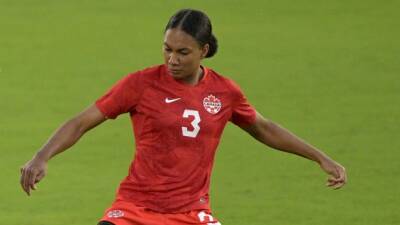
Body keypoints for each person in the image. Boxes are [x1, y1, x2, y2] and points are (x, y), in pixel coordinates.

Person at [20, 9, 347, 225]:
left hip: (192, 214)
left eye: (182, 52)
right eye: (166, 49)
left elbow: (263, 128)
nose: (172, 59)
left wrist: (321, 158)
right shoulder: (140, 84)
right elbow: (81, 121)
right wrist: (41, 156)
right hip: (134, 210)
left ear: (204, 50)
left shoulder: (224, 92)